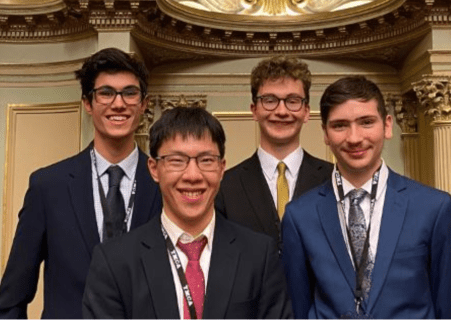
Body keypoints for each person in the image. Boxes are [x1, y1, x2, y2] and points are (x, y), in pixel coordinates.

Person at [282, 76, 451, 318]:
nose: (354, 137)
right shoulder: (299, 216)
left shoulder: (434, 209)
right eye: (340, 125)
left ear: (387, 125)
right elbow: (297, 308)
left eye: (366, 122)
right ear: (325, 133)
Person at [82, 106, 293, 319]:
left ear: (221, 168)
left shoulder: (259, 255)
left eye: (206, 160)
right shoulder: (114, 262)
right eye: (177, 161)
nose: (193, 175)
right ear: (154, 169)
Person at [0, 48, 162, 319]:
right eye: (106, 93)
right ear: (88, 103)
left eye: (129, 93)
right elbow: (11, 299)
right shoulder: (48, 187)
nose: (118, 104)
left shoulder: (165, 184)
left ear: (144, 103)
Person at [215, 56, 333, 252]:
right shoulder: (225, 186)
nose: (281, 111)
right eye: (270, 100)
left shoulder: (333, 179)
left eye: (292, 101)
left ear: (306, 112)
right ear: (254, 110)